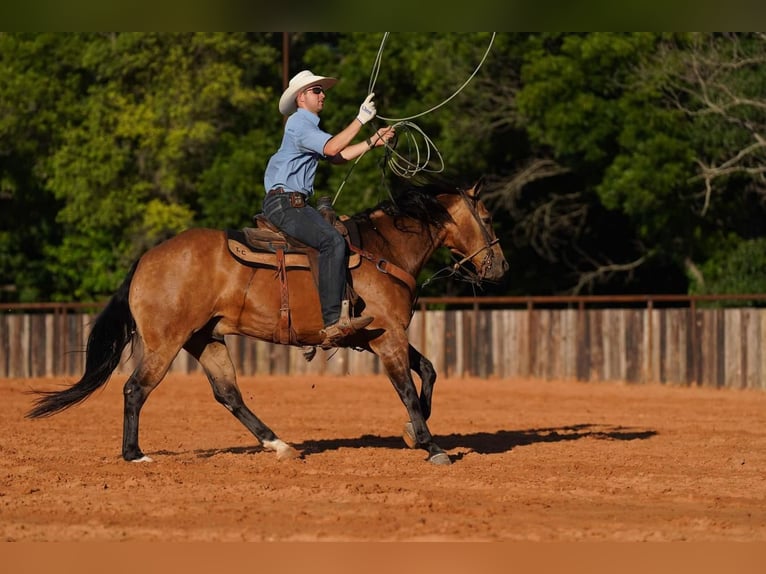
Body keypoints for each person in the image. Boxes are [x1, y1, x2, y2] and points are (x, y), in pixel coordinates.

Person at [263, 69, 396, 347]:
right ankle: (333, 321)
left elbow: (338, 155)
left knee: (333, 237)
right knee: (333, 241)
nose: (323, 94)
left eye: (322, 90)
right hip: (286, 203)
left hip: (291, 202)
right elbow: (333, 147)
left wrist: (373, 141)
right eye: (316, 90)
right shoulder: (299, 123)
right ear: (301, 98)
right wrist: (361, 120)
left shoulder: (307, 127)